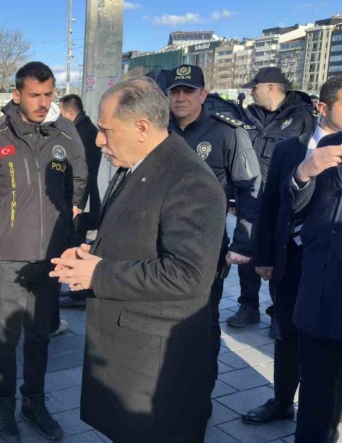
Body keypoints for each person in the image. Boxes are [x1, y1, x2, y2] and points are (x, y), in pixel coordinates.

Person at [50, 77, 226, 442]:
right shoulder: (141, 163)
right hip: (130, 352)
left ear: (141, 128)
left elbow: (189, 275)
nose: (99, 141)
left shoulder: (191, 180)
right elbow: (136, 235)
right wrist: (89, 256)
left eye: (105, 131)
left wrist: (99, 273)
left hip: (157, 363)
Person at [0, 61, 88, 442]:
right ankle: (3, 403)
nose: (42, 102)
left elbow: (81, 176)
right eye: (35, 95)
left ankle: (33, 401)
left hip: (51, 256)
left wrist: (73, 208)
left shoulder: (65, 133)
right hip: (7, 256)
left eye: (48, 94)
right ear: (17, 95)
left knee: (40, 336)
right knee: (5, 336)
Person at [243, 76, 342, 428]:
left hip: (332, 268)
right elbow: (269, 204)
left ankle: (326, 413)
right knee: (285, 334)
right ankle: (283, 400)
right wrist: (264, 256)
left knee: (326, 343)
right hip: (291, 258)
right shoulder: (290, 149)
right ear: (323, 108)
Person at [166, 64, 262, 416]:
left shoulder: (227, 134)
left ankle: (199, 398)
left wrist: (242, 244)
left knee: (202, 325)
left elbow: (251, 191)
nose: (180, 97)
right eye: (175, 91)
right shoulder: (159, 131)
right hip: (161, 246)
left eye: (188, 91)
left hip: (206, 247)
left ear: (203, 95)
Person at [228, 67, 315, 329]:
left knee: (280, 255)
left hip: (283, 199)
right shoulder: (248, 116)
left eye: (254, 87)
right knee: (246, 251)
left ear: (269, 87)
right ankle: (248, 305)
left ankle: (279, 312)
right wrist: (234, 197)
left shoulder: (302, 117)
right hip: (250, 197)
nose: (251, 92)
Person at [287, 130, 342, 442]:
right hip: (319, 293)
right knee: (314, 390)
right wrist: (303, 173)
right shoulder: (327, 146)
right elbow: (296, 210)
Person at [57, 94, 100, 310]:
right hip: (86, 198)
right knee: (78, 241)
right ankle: (77, 290)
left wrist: (77, 203)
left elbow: (82, 173)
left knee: (78, 243)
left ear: (70, 113)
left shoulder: (81, 133)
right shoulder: (86, 129)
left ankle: (79, 294)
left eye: (61, 114)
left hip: (82, 200)